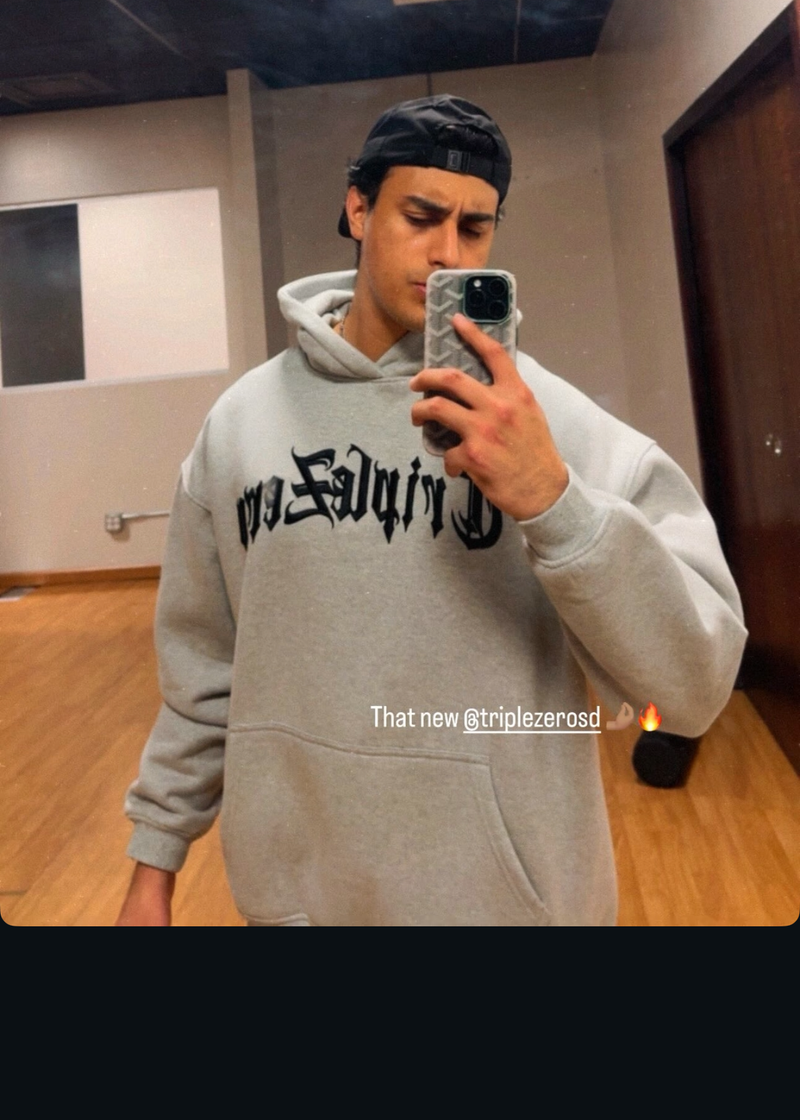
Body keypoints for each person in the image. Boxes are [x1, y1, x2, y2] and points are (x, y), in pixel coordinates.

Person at [116, 94, 746, 926]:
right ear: (358, 208)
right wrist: (154, 864)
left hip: (506, 913)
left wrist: (554, 501)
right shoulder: (238, 427)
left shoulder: (555, 428)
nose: (448, 252)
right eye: (420, 216)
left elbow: (695, 687)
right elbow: (203, 670)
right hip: (295, 908)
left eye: (475, 228)